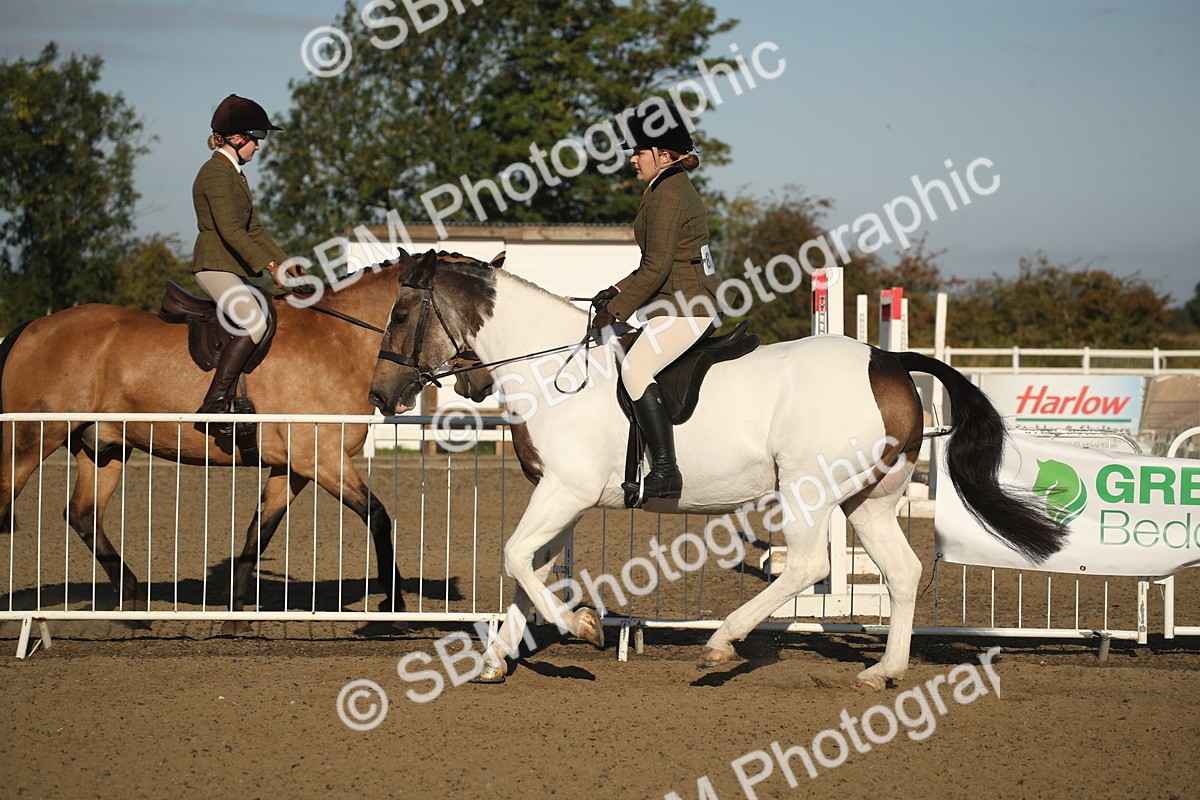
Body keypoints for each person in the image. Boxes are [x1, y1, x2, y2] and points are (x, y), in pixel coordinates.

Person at [591, 102, 720, 500]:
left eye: (639, 151)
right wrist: (615, 290)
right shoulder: (665, 187)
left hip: (688, 307)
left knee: (635, 368)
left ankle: (666, 470)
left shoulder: (668, 196)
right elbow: (654, 264)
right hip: (679, 301)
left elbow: (657, 267)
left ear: (664, 155)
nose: (631, 158)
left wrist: (615, 309)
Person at [190, 94, 298, 421]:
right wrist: (269, 268)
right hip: (214, 265)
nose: (259, 147)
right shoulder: (215, 173)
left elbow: (255, 229)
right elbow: (231, 231)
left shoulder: (234, 172)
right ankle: (214, 402)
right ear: (238, 139)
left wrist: (287, 264)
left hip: (230, 266)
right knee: (253, 319)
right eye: (257, 139)